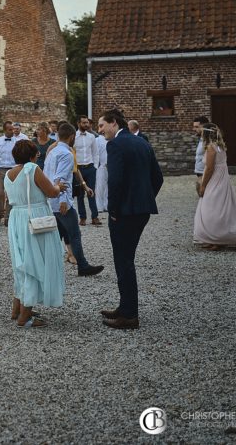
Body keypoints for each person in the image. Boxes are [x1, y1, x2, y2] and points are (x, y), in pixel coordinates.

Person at [99, 109, 163, 330]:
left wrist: (114, 209)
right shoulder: (142, 142)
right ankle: (124, 306)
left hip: (124, 213)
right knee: (126, 259)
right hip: (141, 211)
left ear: (114, 123)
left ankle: (129, 315)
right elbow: (158, 177)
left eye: (102, 125)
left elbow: (115, 182)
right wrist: (144, 200)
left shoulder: (115, 145)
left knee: (123, 261)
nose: (100, 130)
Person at [5, 140, 68, 327]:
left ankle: (17, 309)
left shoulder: (8, 173)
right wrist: (59, 187)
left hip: (16, 218)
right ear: (33, 155)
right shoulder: (32, 169)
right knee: (34, 263)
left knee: (21, 263)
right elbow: (51, 192)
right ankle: (25, 318)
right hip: (35, 218)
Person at [44, 123, 104, 277]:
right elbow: (61, 178)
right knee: (74, 234)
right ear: (71, 137)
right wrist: (63, 200)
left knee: (56, 234)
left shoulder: (52, 152)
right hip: (60, 201)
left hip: (50, 199)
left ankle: (46, 265)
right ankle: (83, 266)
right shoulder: (67, 154)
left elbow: (46, 175)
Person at [193, 125, 236, 249]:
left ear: (206, 135)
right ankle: (213, 238)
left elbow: (209, 168)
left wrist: (203, 185)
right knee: (220, 207)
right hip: (223, 180)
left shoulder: (210, 148)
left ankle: (217, 240)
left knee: (212, 208)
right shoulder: (221, 146)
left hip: (215, 180)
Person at [73, 115, 101, 227]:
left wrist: (94, 166)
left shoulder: (91, 137)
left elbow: (95, 152)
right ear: (78, 123)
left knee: (92, 193)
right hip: (78, 169)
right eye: (84, 123)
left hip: (90, 168)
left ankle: (95, 216)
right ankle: (83, 217)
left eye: (87, 123)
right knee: (79, 195)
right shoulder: (73, 137)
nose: (86, 125)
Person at [0, 121, 17, 224]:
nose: (13, 131)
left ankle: (7, 217)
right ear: (5, 130)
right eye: (10, 129)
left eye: (13, 129)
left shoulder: (17, 141)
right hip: (0, 170)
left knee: (11, 194)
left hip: (13, 170)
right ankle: (0, 213)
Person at [94, 120, 109, 214]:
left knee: (108, 187)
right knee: (100, 186)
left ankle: (106, 205)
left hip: (110, 165)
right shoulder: (97, 140)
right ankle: (99, 206)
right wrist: (98, 165)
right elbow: (96, 154)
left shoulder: (111, 139)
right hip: (101, 166)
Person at [192, 115, 210, 184]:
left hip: (205, 174)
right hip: (200, 173)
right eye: (194, 127)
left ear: (204, 127)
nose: (194, 129)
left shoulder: (209, 141)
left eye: (196, 127)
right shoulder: (201, 138)